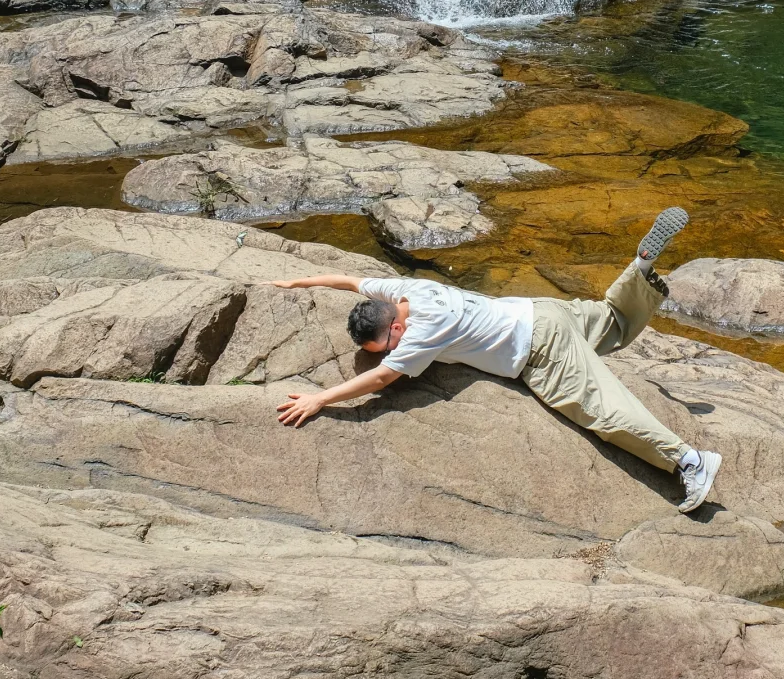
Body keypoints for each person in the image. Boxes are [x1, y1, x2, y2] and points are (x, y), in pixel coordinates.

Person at [271, 207, 722, 514]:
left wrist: (320, 399)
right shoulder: (405, 292)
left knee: (602, 409)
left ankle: (689, 461)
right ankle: (638, 272)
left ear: (395, 329)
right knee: (612, 324)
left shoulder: (423, 332)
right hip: (542, 311)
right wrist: (299, 283)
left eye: (385, 346)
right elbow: (350, 281)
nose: (388, 354)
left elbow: (380, 381)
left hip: (540, 350)